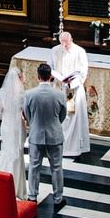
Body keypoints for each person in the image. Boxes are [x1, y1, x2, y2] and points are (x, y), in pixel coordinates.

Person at [21, 62, 67, 208]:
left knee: (34, 167)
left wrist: (34, 124)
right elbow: (62, 115)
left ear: (38, 77)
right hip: (55, 134)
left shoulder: (29, 94)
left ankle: (32, 197)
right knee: (57, 167)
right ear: (51, 77)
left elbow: (27, 114)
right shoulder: (60, 94)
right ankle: (58, 198)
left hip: (36, 134)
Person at [51, 31, 90, 157]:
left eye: (67, 43)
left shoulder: (80, 51)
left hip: (73, 90)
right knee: (58, 116)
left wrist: (71, 81)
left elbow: (83, 71)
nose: (64, 46)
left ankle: (72, 146)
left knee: (72, 116)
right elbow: (49, 66)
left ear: (71, 40)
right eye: (62, 43)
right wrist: (55, 75)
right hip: (58, 88)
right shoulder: (55, 50)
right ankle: (57, 144)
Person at [0, 64, 27, 195]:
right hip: (17, 125)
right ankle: (17, 188)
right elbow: (25, 113)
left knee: (7, 152)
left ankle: (2, 184)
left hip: (7, 125)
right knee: (17, 154)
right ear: (19, 77)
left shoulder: (3, 92)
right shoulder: (22, 95)